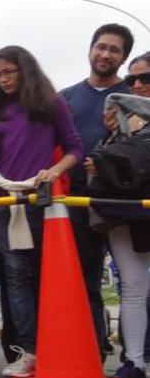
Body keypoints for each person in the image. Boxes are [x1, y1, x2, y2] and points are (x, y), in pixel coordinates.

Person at [0, 46, 82, 378]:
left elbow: (76, 147)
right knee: (16, 273)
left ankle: (50, 345)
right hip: (2, 199)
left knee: (39, 272)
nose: (3, 79)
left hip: (37, 199)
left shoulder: (51, 103)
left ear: (25, 70)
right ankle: (29, 349)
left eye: (9, 72)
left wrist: (53, 170)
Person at [60, 23, 134, 355]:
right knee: (84, 279)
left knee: (134, 285)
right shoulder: (66, 98)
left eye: (114, 50)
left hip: (125, 203)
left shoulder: (136, 95)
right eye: (100, 47)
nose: (105, 54)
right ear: (90, 49)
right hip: (77, 199)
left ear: (124, 57)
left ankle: (136, 360)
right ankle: (91, 349)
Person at [85, 52, 150, 378]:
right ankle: (135, 362)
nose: (137, 85)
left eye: (146, 78)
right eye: (132, 79)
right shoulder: (117, 121)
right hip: (127, 213)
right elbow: (102, 163)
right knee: (133, 289)